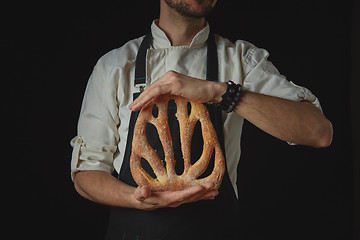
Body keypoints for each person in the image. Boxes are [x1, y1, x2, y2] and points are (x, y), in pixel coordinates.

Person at [70, 0, 333, 239]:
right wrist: (134, 198)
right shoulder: (114, 67)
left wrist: (220, 92)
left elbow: (318, 132)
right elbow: (86, 174)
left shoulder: (241, 61)